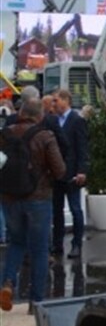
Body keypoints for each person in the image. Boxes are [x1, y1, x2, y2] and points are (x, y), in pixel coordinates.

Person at [1, 96, 66, 311]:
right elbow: (60, 170)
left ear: (20, 113)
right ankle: (36, 301)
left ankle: (8, 283)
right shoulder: (45, 135)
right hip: (38, 198)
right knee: (39, 250)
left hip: (9, 197)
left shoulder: (4, 134)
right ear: (40, 115)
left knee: (16, 243)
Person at [50, 89, 89, 261]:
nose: (54, 104)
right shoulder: (53, 121)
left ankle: (76, 244)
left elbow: (82, 148)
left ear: (66, 100)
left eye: (56, 100)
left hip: (72, 172)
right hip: (56, 174)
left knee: (75, 209)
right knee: (56, 210)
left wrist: (82, 170)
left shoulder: (77, 120)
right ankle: (57, 244)